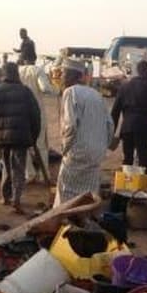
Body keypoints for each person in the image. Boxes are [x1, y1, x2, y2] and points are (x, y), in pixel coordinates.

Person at [0, 62, 41, 214]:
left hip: (1, 137)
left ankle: (5, 197)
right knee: (18, 169)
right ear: (17, 74)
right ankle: (16, 199)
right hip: (21, 137)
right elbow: (36, 116)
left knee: (6, 167)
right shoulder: (25, 91)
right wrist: (33, 138)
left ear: (3, 74)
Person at [54, 60, 114, 206]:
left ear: (74, 76)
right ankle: (85, 220)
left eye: (63, 73)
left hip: (78, 152)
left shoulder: (70, 92)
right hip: (97, 152)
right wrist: (103, 146)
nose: (61, 77)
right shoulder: (96, 94)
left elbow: (70, 126)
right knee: (89, 194)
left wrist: (64, 148)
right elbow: (110, 125)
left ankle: (65, 220)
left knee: (66, 192)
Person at [111, 60, 147, 175]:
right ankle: (145, 187)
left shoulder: (124, 87)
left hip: (127, 127)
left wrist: (112, 131)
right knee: (145, 159)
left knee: (127, 159)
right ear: (145, 72)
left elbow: (115, 111)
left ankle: (125, 187)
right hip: (144, 127)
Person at [19, 63, 55, 184]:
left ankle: (29, 173)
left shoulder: (18, 71)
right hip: (37, 112)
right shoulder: (37, 70)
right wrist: (56, 88)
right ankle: (43, 174)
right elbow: (45, 88)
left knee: (24, 145)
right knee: (41, 144)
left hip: (21, 112)